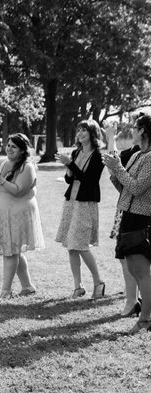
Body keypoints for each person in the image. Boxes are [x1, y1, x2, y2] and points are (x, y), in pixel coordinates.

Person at [103, 113, 151, 333]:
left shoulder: (150, 157)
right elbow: (123, 186)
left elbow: (138, 188)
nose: (132, 131)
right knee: (133, 267)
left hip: (141, 219)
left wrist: (118, 169)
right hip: (127, 215)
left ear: (142, 130)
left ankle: (145, 320)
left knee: (141, 271)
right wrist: (114, 169)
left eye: (135, 127)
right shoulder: (137, 155)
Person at [0, 133, 44, 300]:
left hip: (19, 213)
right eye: (8, 145)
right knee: (13, 250)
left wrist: (0, 179)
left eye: (14, 146)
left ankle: (6, 291)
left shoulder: (27, 167)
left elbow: (18, 191)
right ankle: (27, 286)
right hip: (2, 211)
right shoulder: (2, 162)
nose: (9, 148)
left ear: (22, 150)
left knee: (11, 252)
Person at [54, 119, 106, 299]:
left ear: (93, 134)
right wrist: (68, 167)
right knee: (71, 246)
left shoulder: (99, 155)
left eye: (84, 130)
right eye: (79, 130)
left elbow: (89, 179)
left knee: (81, 245)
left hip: (86, 204)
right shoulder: (76, 152)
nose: (80, 133)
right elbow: (70, 179)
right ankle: (78, 287)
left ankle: (98, 282)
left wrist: (70, 164)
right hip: (72, 202)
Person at [106, 125, 141, 316]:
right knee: (124, 257)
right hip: (125, 209)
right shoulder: (133, 152)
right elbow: (113, 165)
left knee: (136, 259)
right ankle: (132, 298)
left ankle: (134, 300)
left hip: (140, 213)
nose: (133, 130)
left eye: (137, 127)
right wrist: (110, 138)